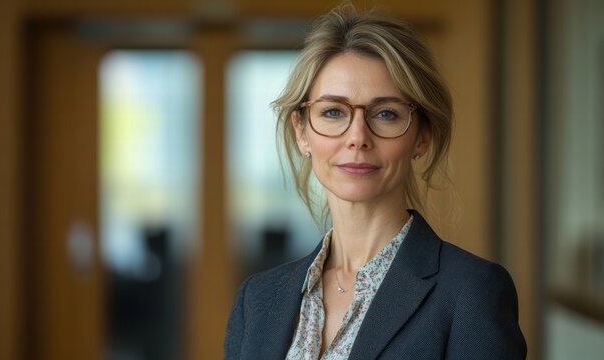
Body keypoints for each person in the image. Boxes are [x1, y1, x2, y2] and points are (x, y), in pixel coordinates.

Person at [224, 4, 527, 360]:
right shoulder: (257, 300)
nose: (357, 137)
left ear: (422, 136)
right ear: (302, 132)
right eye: (333, 112)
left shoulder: (472, 293)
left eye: (385, 114)